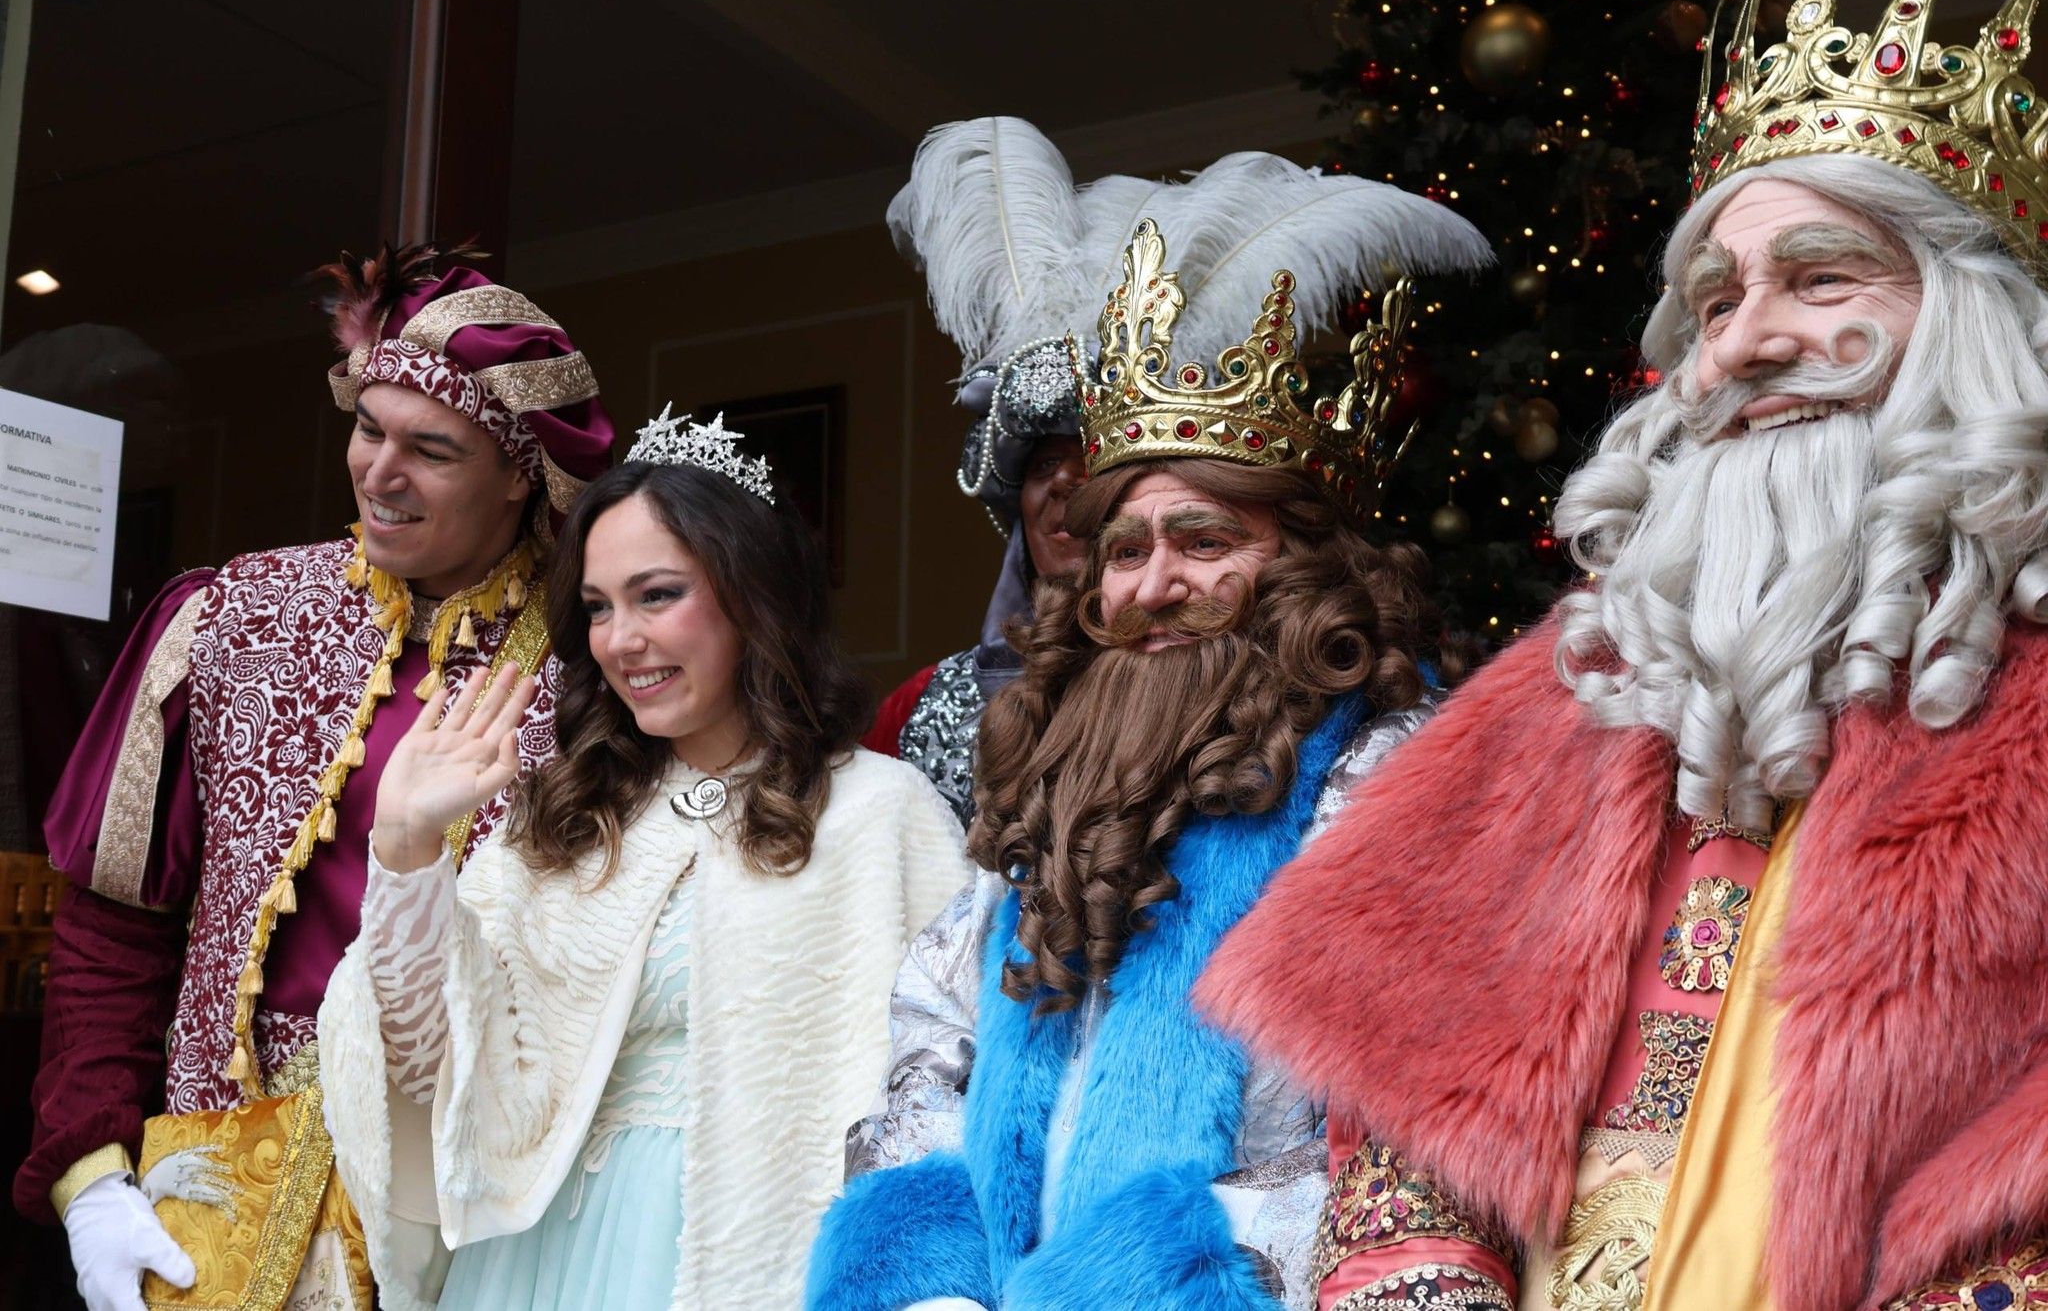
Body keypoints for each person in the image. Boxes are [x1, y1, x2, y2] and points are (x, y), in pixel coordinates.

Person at [1200, 0, 2048, 1309]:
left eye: (1823, 280)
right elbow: (1407, 1144)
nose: (1749, 341)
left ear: (1977, 331)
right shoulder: (1562, 698)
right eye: (1717, 300)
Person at [806, 150, 1489, 1310]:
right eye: (1124, 551)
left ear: (1307, 568)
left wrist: (1136, 1278)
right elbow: (932, 1053)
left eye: (1204, 541)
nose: (1153, 586)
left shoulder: (1403, 783)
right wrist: (930, 1288)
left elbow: (1415, 1144)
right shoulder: (1057, 783)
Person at [16, 244, 612, 1311]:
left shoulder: (596, 678)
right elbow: (113, 930)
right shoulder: (232, 619)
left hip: (473, 1224)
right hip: (211, 1211)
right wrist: (89, 1172)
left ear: (521, 471)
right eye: (368, 428)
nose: (381, 471)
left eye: (430, 448)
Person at [319, 407, 973, 1310]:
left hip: (762, 1251)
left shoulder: (877, 810)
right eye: (596, 607)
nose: (619, 640)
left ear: (753, 595)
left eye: (656, 595)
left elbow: (947, 1080)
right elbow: (436, 1064)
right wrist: (406, 850)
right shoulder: (567, 818)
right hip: (538, 1259)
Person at [865, 117, 1151, 822]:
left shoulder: (1213, 679)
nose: (1066, 482)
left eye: (1095, 460)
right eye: (1045, 462)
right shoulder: (919, 706)